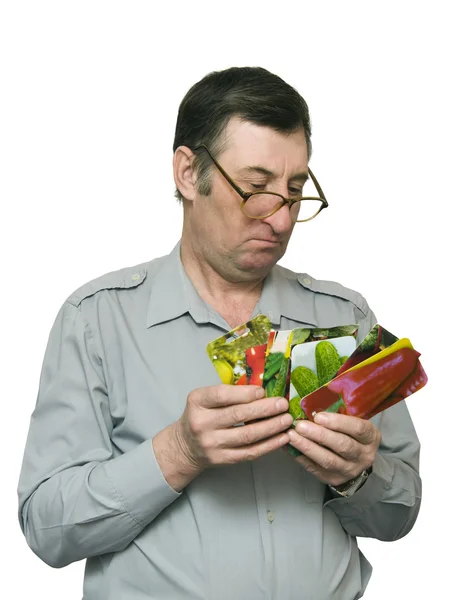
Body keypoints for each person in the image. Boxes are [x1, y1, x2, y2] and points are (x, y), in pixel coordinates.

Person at [17, 66, 421, 600]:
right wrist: (177, 452)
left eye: (295, 190)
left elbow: (401, 513)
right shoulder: (95, 320)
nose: (279, 219)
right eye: (255, 189)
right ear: (188, 173)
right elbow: (47, 529)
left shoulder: (347, 316)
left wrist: (358, 476)